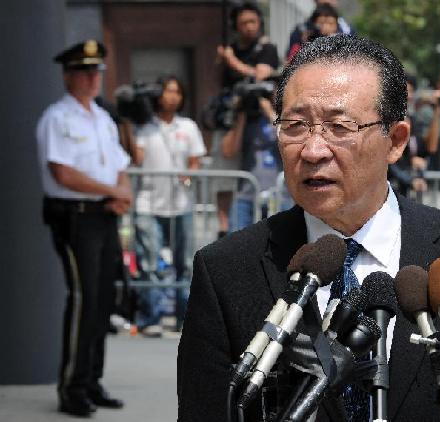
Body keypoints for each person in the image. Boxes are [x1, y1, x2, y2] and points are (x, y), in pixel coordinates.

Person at [178, 34, 440, 422]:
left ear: (396, 141)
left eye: (340, 127)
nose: (313, 150)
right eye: (295, 125)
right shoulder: (226, 271)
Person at [37, 40, 130, 417]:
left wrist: (122, 192)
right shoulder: (57, 118)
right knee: (83, 299)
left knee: (103, 300)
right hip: (74, 215)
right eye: (85, 72)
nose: (93, 78)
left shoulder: (101, 118)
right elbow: (63, 172)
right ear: (68, 75)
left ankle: (91, 380)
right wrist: (113, 189)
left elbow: (120, 163)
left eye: (97, 72)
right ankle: (72, 387)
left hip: (104, 214)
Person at [133, 75, 207, 335]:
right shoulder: (144, 127)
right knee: (150, 263)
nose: (173, 96)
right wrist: (129, 124)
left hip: (181, 203)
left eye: (177, 91)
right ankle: (151, 318)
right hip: (148, 202)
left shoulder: (188, 126)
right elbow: (136, 156)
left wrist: (188, 174)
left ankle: (183, 318)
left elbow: (195, 159)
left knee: (185, 263)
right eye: (167, 91)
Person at [221, 93, 282, 230]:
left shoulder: (282, 119)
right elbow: (228, 151)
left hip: (278, 196)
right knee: (238, 246)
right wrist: (241, 115)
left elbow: (288, 139)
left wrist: (270, 113)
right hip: (246, 196)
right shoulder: (246, 122)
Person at [286, 0, 354, 59]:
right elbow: (290, 59)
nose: (325, 27)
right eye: (321, 23)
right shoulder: (301, 31)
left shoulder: (347, 31)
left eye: (330, 23)